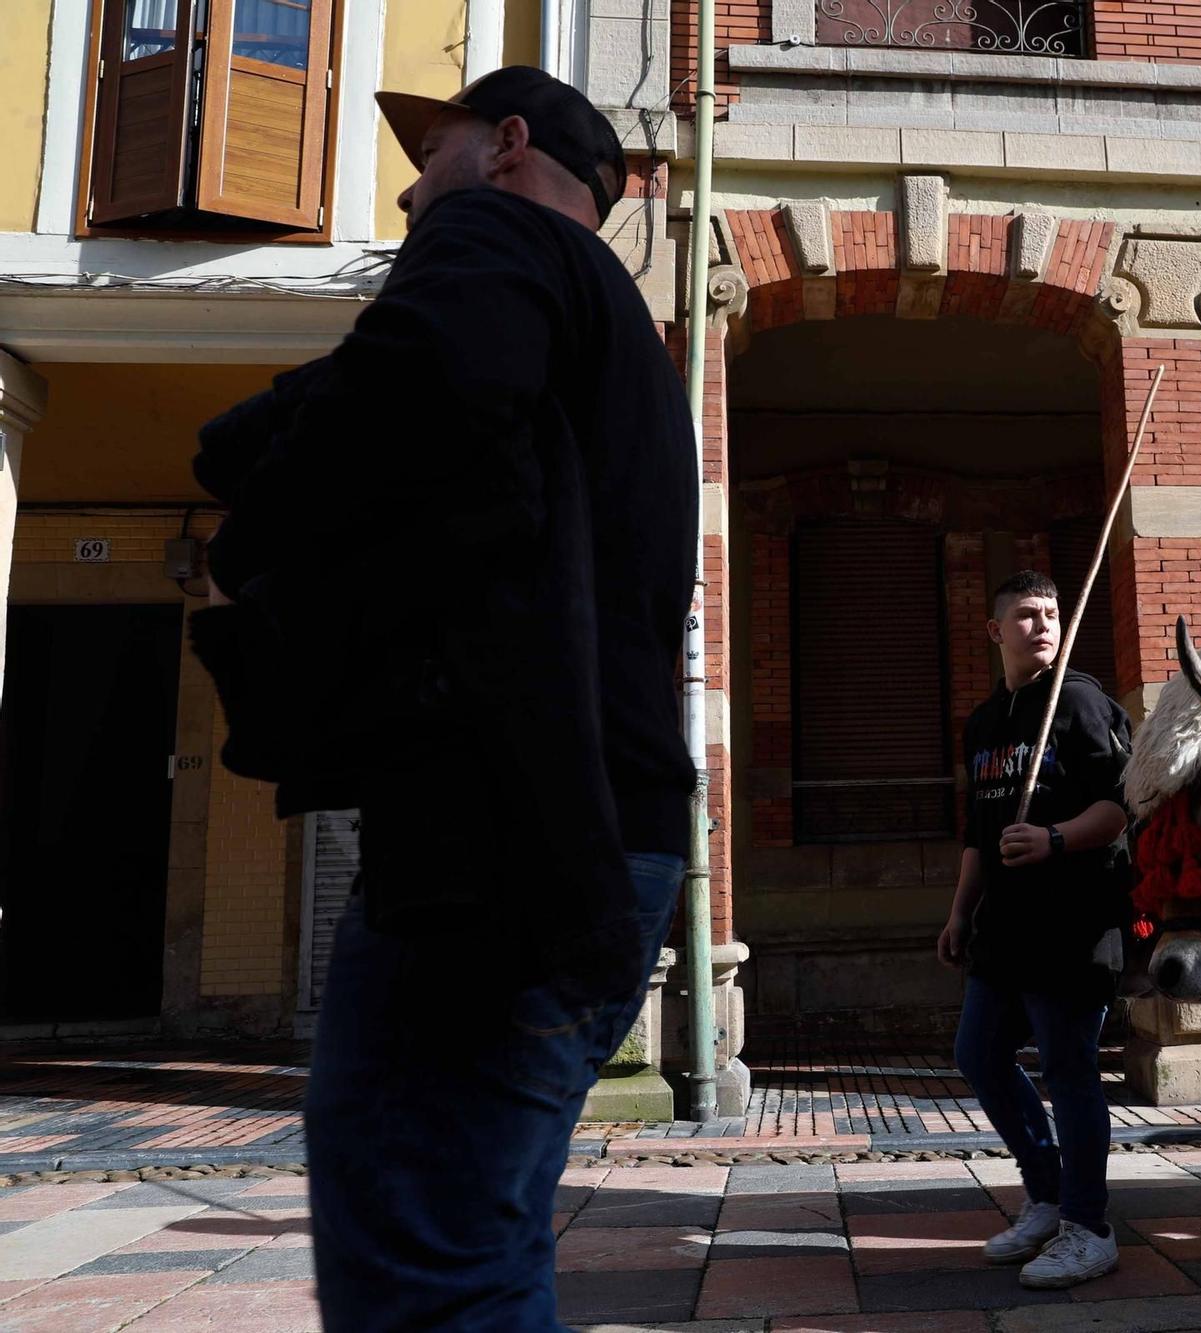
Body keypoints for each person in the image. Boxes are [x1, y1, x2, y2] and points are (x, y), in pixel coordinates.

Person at [187, 66, 697, 1330]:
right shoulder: (625, 338)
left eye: (436, 147)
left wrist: (249, 515)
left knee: (424, 1273)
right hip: (608, 841)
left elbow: (416, 396)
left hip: (498, 843)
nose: (414, 183)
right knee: (481, 1247)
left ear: (507, 144)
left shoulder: (490, 231)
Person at [939, 571, 1132, 1289]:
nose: (1042, 623)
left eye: (1051, 612)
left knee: (1069, 1068)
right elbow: (978, 834)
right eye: (1025, 614)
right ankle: (1048, 1195)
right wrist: (961, 910)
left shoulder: (1079, 701)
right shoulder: (985, 724)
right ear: (995, 630)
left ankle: (1090, 1226)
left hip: (1073, 924)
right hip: (1004, 927)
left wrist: (1055, 839)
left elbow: (1122, 806)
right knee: (979, 1054)